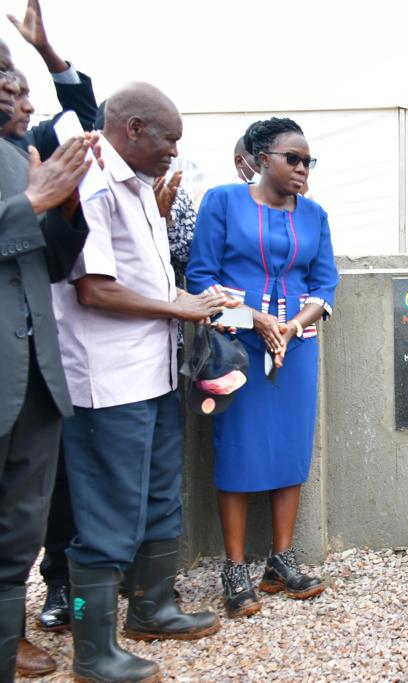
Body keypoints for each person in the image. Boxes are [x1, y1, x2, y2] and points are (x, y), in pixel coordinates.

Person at [52, 82, 228, 683]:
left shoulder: (138, 189)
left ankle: (152, 607)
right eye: (168, 138)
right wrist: (179, 311)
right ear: (132, 129)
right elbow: (94, 288)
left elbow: (149, 286)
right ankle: (93, 652)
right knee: (106, 516)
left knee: (160, 496)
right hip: (108, 382)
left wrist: (198, 300)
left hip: (152, 375)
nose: (174, 152)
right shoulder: (94, 184)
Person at [187, 117, 338, 619]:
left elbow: (325, 286)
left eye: (307, 161)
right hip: (236, 347)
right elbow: (200, 281)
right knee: (238, 449)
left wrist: (291, 327)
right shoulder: (222, 202)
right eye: (292, 158)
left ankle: (281, 559)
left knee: (292, 448)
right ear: (259, 158)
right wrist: (253, 319)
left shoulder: (315, 215)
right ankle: (235, 569)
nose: (301, 167)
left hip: (295, 348)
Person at [0, 63, 94, 683]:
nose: (19, 96)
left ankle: (7, 645)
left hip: (35, 376)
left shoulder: (23, 155)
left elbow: (53, 265)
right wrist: (33, 200)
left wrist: (63, 209)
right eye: (4, 86)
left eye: (22, 85)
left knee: (18, 536)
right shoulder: (23, 178)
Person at [1, 0, 98, 159]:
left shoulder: (31, 146)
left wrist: (45, 50)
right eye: (19, 95)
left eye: (27, 95)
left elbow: (81, 117)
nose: (29, 107)